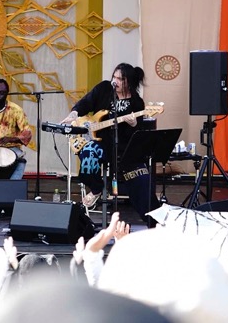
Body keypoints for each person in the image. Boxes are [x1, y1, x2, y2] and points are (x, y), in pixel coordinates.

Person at [61, 63, 159, 224]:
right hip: (100, 142)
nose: (115, 81)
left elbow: (137, 134)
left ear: (129, 82)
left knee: (141, 181)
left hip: (122, 149)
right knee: (89, 152)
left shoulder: (136, 103)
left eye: (120, 79)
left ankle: (153, 220)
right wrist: (74, 114)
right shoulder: (104, 88)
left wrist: (134, 124)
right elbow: (86, 102)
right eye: (114, 77)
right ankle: (96, 188)